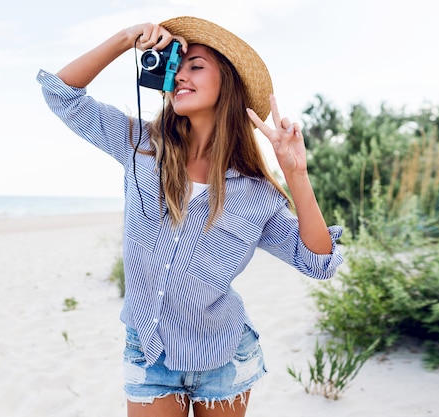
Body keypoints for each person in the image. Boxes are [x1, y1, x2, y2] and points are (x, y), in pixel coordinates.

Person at [37, 16, 343, 417]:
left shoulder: (256, 192)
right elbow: (62, 94)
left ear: (227, 84)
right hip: (148, 351)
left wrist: (296, 174)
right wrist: (128, 38)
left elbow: (318, 262)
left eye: (195, 66)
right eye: (176, 68)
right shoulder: (139, 146)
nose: (180, 75)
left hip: (224, 356)